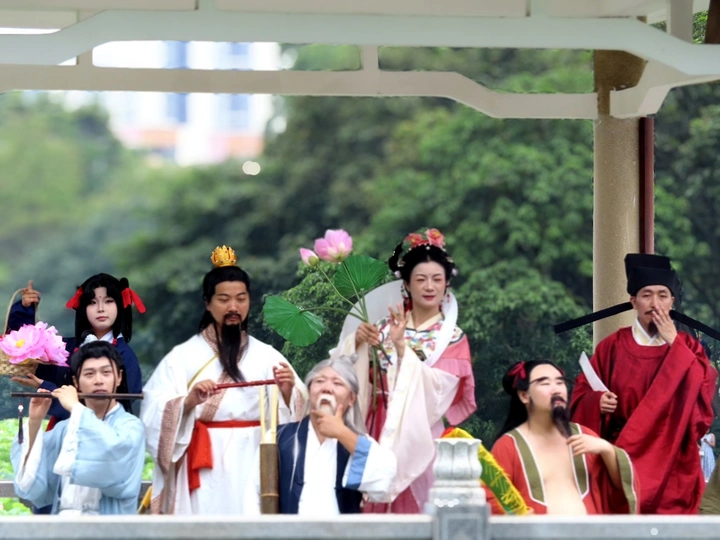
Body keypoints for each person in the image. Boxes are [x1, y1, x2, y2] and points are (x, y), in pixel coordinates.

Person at [140, 245, 308, 515]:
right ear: (208, 303)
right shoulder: (181, 356)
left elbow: (300, 411)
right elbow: (153, 407)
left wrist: (289, 392)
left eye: (241, 299)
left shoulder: (267, 355)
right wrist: (187, 402)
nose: (233, 307)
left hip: (255, 457)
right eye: (224, 299)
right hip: (203, 460)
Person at [335, 228, 476, 513]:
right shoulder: (382, 327)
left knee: (418, 506)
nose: (429, 286)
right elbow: (347, 374)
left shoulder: (452, 337)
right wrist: (356, 342)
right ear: (407, 284)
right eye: (420, 279)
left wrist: (402, 349)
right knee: (372, 501)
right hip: (376, 424)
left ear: (447, 284)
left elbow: (440, 390)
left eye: (437, 279)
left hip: (420, 429)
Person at [567, 254, 717, 514]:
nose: (655, 304)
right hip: (622, 459)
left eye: (662, 295)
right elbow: (581, 394)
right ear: (633, 301)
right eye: (646, 295)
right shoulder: (612, 347)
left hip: (675, 461)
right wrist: (596, 402)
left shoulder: (690, 348)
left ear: (672, 301)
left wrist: (675, 343)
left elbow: (703, 399)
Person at [11, 337, 146, 515]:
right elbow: (31, 485)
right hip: (64, 523)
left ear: (119, 377)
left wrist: (76, 407)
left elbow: (112, 460)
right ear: (76, 382)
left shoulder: (131, 426)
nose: (98, 380)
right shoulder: (65, 429)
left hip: (108, 525)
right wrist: (35, 422)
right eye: (89, 374)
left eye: (106, 373)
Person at [248, 356, 397, 515]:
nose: (327, 388)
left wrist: (341, 432)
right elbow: (252, 497)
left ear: (351, 398)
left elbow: (384, 481)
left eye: (337, 383)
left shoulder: (355, 442)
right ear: (309, 390)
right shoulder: (278, 437)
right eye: (319, 381)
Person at [488, 360, 639, 515]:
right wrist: (517, 517)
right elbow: (491, 498)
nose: (556, 389)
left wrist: (607, 450)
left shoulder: (584, 436)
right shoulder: (508, 446)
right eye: (545, 383)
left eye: (560, 383)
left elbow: (621, 489)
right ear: (524, 395)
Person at [7, 275, 145, 420]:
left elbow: (112, 410)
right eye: (92, 302)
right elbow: (21, 344)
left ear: (120, 306)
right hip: (61, 430)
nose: (101, 309)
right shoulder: (64, 349)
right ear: (83, 308)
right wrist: (24, 311)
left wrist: (48, 387)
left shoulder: (125, 356)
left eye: (109, 301)